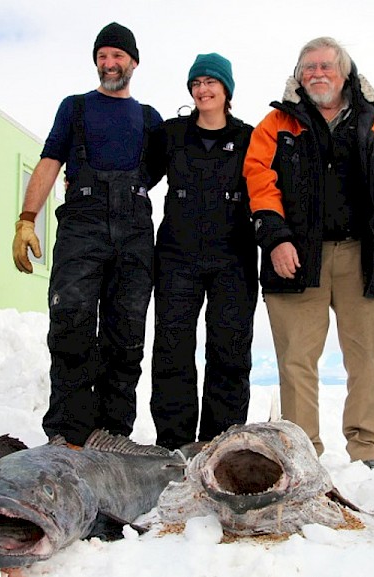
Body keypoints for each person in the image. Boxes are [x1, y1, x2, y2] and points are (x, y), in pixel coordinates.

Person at [243, 37, 374, 468]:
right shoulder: (275, 125)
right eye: (308, 68)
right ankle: (301, 454)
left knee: (366, 358)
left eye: (325, 66)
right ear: (298, 77)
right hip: (296, 256)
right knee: (296, 359)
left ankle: (367, 451)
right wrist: (276, 238)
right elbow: (259, 181)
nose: (316, 74)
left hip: (361, 255)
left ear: (345, 73)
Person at [12, 22, 163, 446]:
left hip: (133, 233)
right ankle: (66, 434)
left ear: (133, 62)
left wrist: (125, 192)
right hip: (82, 226)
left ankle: (114, 435)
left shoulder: (150, 120)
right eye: (102, 56)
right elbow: (49, 161)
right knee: (71, 324)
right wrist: (26, 218)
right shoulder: (75, 108)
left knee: (126, 334)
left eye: (117, 56)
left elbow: (158, 170)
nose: (109, 63)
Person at [145, 53, 257, 450]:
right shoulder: (171, 134)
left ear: (227, 90)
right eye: (196, 84)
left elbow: (270, 187)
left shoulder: (249, 137)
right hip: (177, 254)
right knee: (172, 348)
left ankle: (220, 443)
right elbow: (139, 175)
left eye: (211, 82)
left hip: (234, 256)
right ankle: (173, 444)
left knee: (229, 349)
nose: (203, 90)